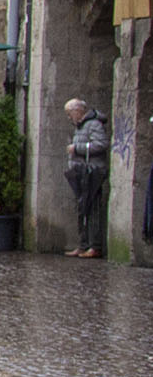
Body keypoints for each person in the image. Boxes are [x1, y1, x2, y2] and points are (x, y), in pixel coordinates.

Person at [66, 99, 111, 258]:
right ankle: (83, 244)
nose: (69, 118)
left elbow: (101, 144)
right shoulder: (81, 126)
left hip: (93, 173)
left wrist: (77, 148)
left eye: (70, 113)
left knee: (93, 209)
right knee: (82, 209)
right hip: (81, 172)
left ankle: (94, 245)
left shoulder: (94, 124)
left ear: (78, 111)